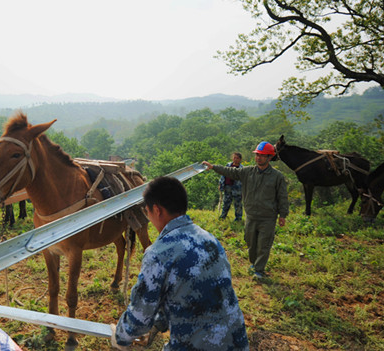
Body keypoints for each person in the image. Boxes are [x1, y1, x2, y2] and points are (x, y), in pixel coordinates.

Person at [110, 176, 248, 350]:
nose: (149, 218)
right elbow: (191, 292)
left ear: (157, 210)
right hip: (236, 343)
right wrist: (159, 322)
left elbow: (139, 318)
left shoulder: (158, 253)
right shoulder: (210, 240)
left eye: (147, 212)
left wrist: (120, 336)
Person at [203, 141, 289, 279]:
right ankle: (254, 264)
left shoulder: (277, 176)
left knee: (263, 245)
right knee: (250, 242)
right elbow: (230, 171)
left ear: (269, 157)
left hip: (268, 217)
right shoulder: (247, 172)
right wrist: (213, 167)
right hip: (251, 216)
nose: (258, 158)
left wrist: (283, 215)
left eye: (261, 155)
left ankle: (259, 270)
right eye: (257, 155)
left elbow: (282, 196)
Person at [219, 152, 243, 221]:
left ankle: (238, 218)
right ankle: (223, 216)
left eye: (237, 158)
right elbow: (223, 174)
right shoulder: (228, 165)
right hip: (227, 186)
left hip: (237, 188)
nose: (235, 159)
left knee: (238, 204)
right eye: (234, 157)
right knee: (226, 202)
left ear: (240, 159)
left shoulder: (241, 168)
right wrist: (221, 184)